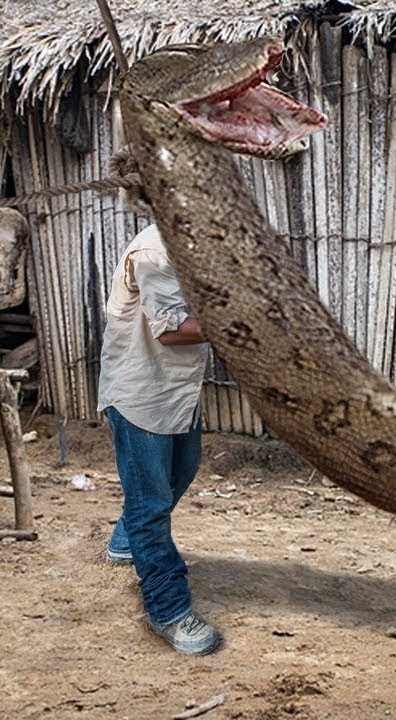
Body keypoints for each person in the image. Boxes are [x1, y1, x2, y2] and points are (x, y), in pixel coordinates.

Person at [98, 221, 221, 656]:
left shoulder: (194, 244)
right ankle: (167, 609)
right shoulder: (154, 250)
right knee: (150, 505)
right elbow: (170, 329)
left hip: (176, 389)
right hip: (141, 393)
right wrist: (240, 325)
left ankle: (124, 543)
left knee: (179, 473)